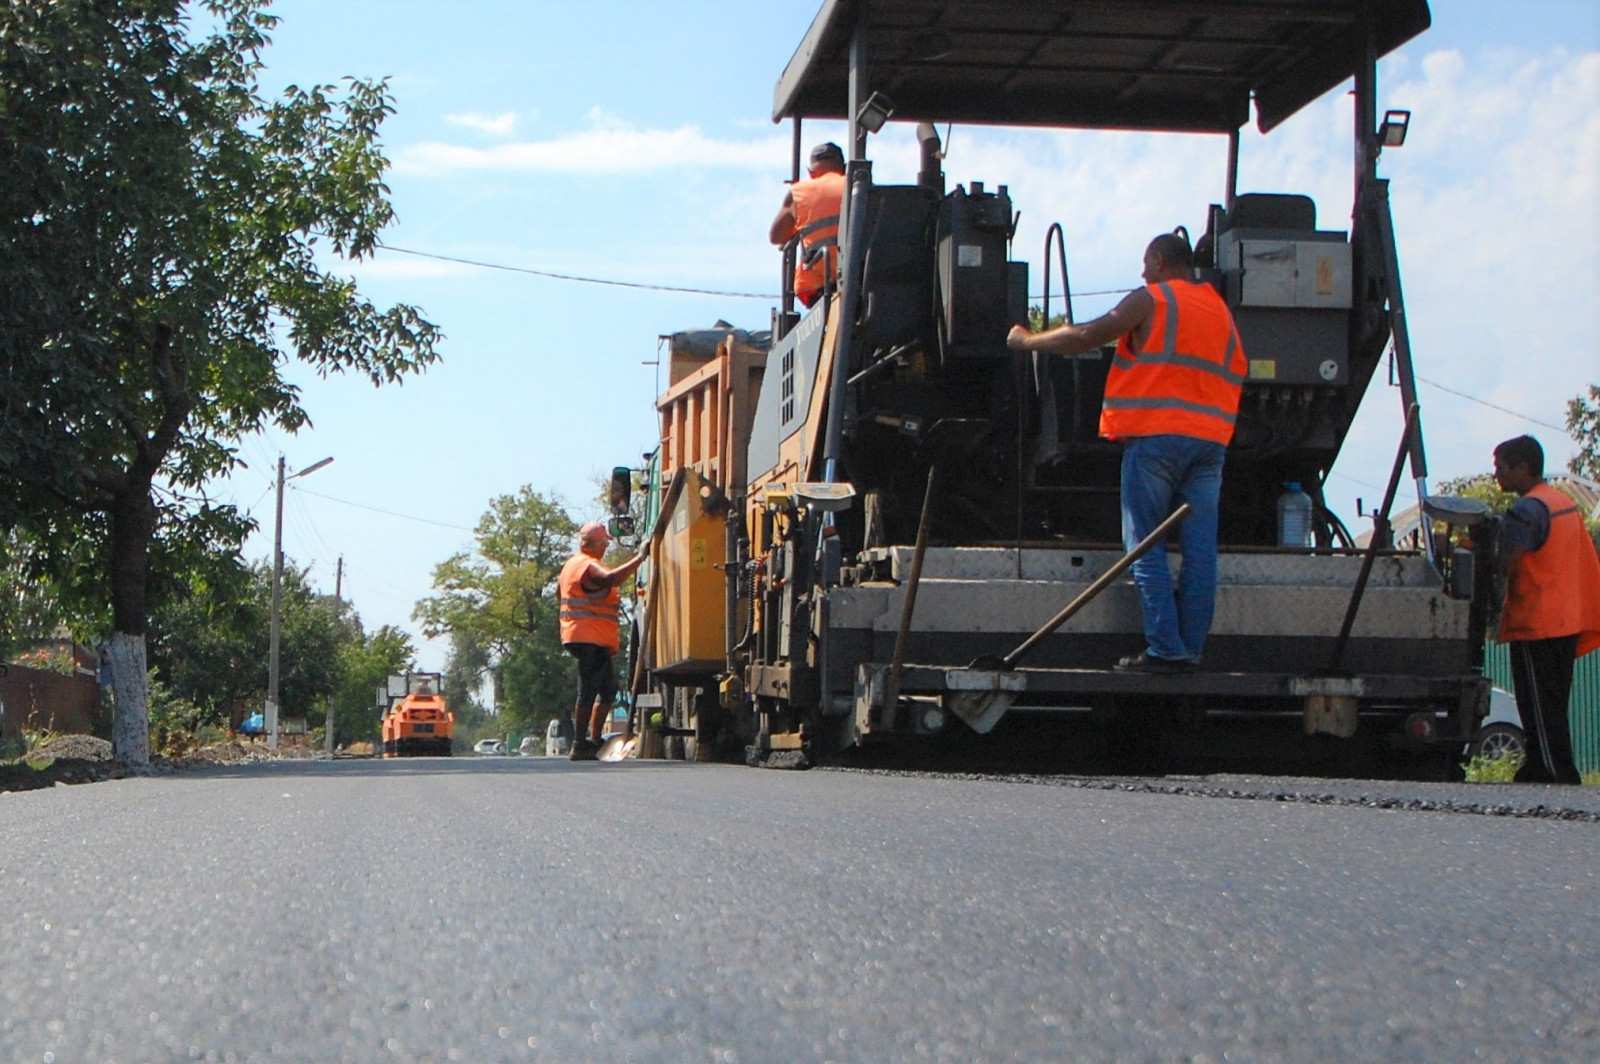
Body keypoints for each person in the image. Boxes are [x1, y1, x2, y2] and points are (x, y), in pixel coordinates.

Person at [1006, 233, 1246, 673]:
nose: (1142, 273)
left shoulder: (1152, 301)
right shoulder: (1219, 310)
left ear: (1158, 260)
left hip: (1157, 440)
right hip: (1211, 444)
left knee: (1145, 545)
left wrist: (1027, 342)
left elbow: (1088, 336)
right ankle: (1189, 651)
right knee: (1199, 553)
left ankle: (1166, 650)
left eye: (1144, 263)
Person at [1491, 435, 1600, 784]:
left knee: (1539, 707)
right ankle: (1538, 766)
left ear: (1523, 467)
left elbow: (1506, 561)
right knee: (1551, 704)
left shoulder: (1527, 511)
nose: (1497, 475)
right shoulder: (1560, 502)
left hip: (1538, 622)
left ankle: (1557, 773)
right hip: (1565, 619)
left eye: (1502, 468)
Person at [558, 522, 648, 761]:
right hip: (587, 637)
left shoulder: (572, 565)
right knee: (588, 689)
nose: (606, 547)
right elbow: (610, 579)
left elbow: (562, 594)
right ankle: (579, 744)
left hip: (590, 636)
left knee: (608, 689)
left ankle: (594, 740)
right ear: (591, 544)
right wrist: (640, 558)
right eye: (603, 543)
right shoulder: (587, 566)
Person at [769, 142, 846, 308]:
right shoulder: (856, 186)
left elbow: (776, 237)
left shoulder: (798, 192)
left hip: (816, 287)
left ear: (811, 171)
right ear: (844, 167)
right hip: (860, 278)